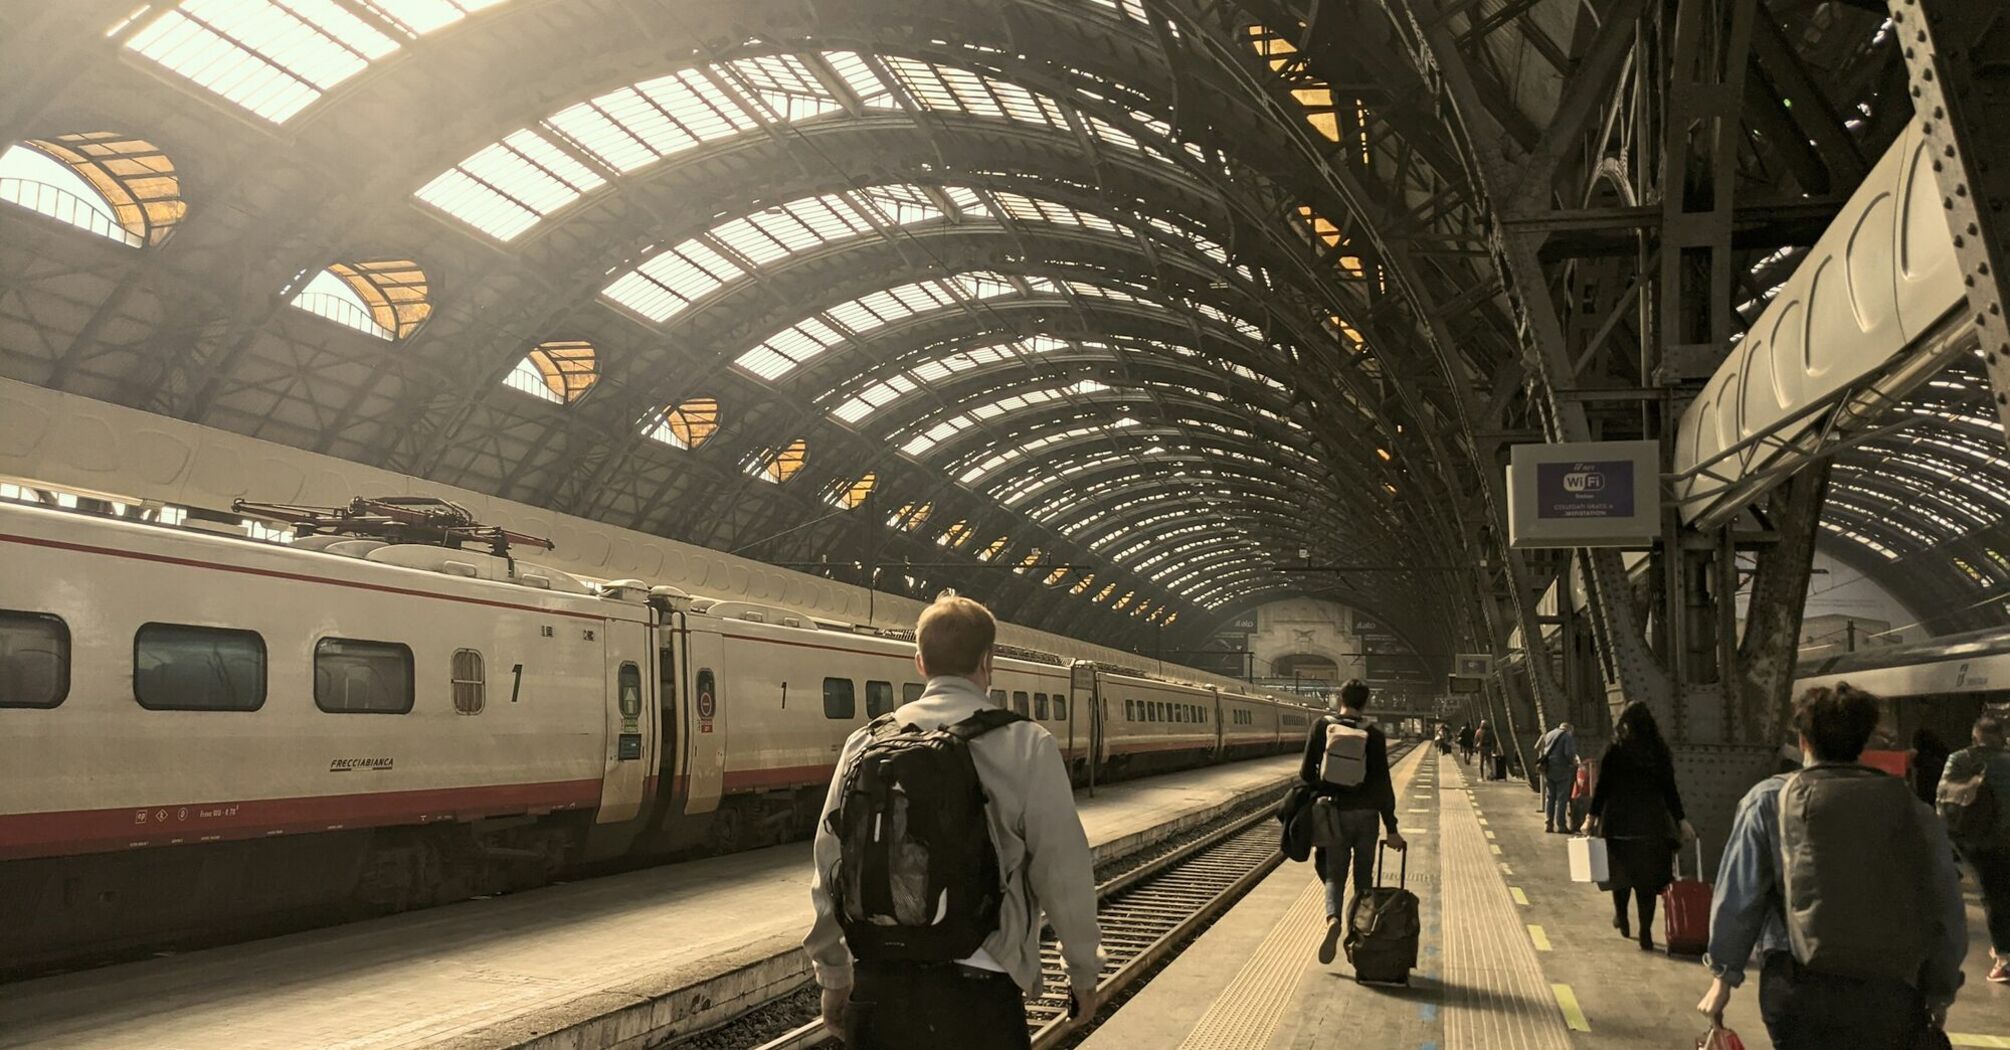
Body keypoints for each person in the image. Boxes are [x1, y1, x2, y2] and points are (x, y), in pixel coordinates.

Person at [806, 596, 1103, 1048]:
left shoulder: (865, 742)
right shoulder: (1025, 743)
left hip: (880, 988)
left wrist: (833, 973)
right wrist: (1081, 971)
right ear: (989, 660)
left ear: (920, 662)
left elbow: (831, 865)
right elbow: (1062, 872)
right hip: (979, 995)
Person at [1699, 685, 1967, 1048]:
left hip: (1798, 988)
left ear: (1803, 740)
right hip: (1889, 989)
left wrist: (1723, 978)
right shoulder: (1910, 808)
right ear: (1864, 739)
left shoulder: (1767, 800)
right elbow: (1944, 906)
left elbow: (1739, 898)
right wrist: (1940, 989)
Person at [1300, 679, 1406, 964]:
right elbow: (1384, 784)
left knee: (1334, 874)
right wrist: (1392, 828)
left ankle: (1332, 919)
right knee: (1363, 878)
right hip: (1368, 816)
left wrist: (1324, 790)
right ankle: (1358, 934)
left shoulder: (1322, 727)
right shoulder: (1374, 733)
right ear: (1366, 703)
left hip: (1334, 813)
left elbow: (1305, 773)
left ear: (1339, 698)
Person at [1587, 701, 1692, 951]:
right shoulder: (1658, 752)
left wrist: (1591, 816)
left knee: (1621, 878)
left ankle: (1622, 917)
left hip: (1617, 825)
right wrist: (1681, 820)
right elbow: (1670, 791)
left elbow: (1602, 788)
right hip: (1650, 827)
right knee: (1646, 883)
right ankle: (1645, 931)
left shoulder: (1615, 750)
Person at [1938, 710, 2010, 984]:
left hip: (1978, 840)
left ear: (1974, 737)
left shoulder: (1960, 759)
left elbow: (1943, 799)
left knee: (1993, 896)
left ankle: (2004, 959)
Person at [1534, 721, 1577, 832]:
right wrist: (1572, 762)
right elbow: (1568, 753)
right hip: (1562, 770)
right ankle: (1561, 825)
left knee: (1550, 797)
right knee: (1561, 799)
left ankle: (1548, 824)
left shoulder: (1549, 734)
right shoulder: (1567, 736)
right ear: (1569, 729)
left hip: (1548, 769)